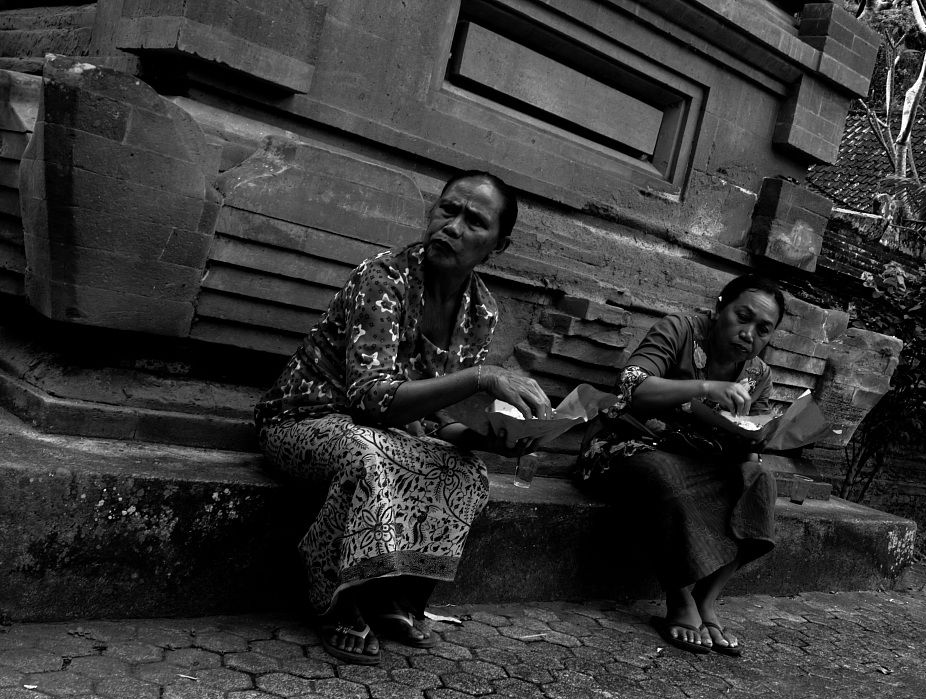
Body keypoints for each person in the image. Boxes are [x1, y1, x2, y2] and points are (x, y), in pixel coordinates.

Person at [255, 170, 551, 665]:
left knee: (465, 470)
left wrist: (492, 441)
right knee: (367, 455)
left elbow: (429, 419)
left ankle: (393, 594)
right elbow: (370, 399)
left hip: (384, 429)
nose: (451, 227)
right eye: (446, 209)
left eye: (473, 221)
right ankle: (335, 594)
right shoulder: (384, 278)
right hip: (301, 419)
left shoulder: (482, 312)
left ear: (498, 245)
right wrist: (480, 378)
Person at [578, 275, 786, 657]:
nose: (748, 333)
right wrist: (705, 389)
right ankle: (679, 598)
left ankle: (707, 599)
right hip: (628, 443)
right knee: (664, 474)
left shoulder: (758, 374)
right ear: (721, 306)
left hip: (700, 459)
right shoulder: (679, 330)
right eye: (743, 317)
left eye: (762, 329)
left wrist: (759, 444)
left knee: (760, 481)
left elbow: (752, 433)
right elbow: (633, 387)